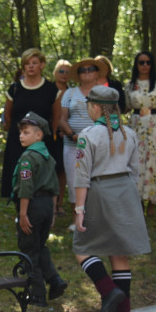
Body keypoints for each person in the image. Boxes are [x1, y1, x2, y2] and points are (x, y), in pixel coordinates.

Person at [72, 86, 149, 312]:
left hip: (100, 192)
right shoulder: (129, 133)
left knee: (81, 247)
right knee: (119, 252)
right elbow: (136, 170)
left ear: (94, 107)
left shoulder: (88, 135)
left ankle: (108, 291)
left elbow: (82, 176)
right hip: (126, 191)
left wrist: (79, 210)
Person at [12, 112, 67, 305]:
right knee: (40, 246)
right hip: (46, 206)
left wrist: (23, 213)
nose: (21, 136)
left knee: (29, 249)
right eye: (21, 132)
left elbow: (26, 188)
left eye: (26, 132)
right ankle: (55, 280)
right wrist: (52, 211)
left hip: (32, 206)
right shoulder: (48, 158)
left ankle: (37, 294)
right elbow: (54, 187)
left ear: (38, 135)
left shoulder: (28, 157)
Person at [0, 48, 59, 200]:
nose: (31, 66)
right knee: (19, 178)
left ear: (42, 65)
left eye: (34, 63)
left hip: (42, 143)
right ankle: (20, 212)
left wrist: (50, 138)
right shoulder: (15, 89)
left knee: (40, 179)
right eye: (27, 63)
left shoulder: (52, 90)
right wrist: (17, 133)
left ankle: (42, 212)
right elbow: (8, 116)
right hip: (17, 141)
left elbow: (56, 118)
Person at [125, 51, 156, 214]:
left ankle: (152, 200)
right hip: (136, 125)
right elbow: (126, 107)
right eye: (141, 62)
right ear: (136, 65)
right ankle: (137, 199)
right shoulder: (130, 84)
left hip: (155, 124)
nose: (144, 65)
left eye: (148, 62)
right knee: (136, 160)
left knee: (154, 160)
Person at [57, 58, 105, 204]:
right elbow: (61, 118)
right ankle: (76, 219)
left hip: (99, 145)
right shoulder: (69, 93)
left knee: (98, 181)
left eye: (91, 69)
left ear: (97, 73)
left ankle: (96, 219)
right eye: (82, 70)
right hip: (73, 145)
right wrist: (72, 135)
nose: (86, 72)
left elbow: (111, 117)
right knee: (74, 182)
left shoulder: (104, 93)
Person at [51, 59, 72, 210]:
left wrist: (66, 129)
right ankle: (49, 203)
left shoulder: (72, 92)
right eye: (61, 71)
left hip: (67, 135)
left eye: (67, 72)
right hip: (51, 134)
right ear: (55, 73)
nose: (64, 75)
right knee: (51, 168)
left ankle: (60, 203)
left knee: (63, 170)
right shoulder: (48, 90)